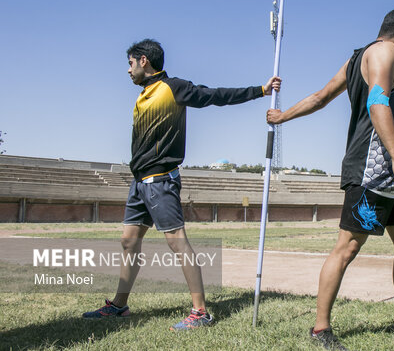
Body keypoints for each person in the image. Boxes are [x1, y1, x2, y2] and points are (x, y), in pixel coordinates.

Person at [267, 9, 394, 349]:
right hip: (372, 168)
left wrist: (282, 116)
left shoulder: (356, 58)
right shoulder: (385, 51)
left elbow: (320, 98)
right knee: (348, 247)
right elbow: (378, 100)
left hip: (392, 174)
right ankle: (321, 329)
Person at [83, 39, 280, 331]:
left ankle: (200, 312)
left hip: (161, 180)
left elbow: (215, 95)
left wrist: (260, 91)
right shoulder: (143, 95)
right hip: (139, 182)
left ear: (144, 61)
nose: (128, 70)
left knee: (177, 242)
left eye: (130, 63)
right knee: (128, 241)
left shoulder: (173, 87)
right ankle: (119, 305)